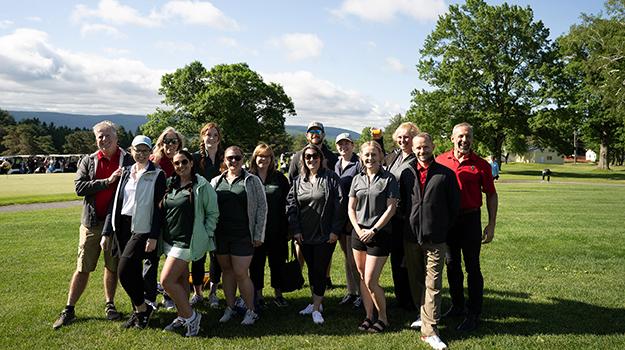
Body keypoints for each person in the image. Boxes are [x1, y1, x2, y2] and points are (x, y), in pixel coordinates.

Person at [53, 120, 133, 330]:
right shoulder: (88, 161)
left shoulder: (128, 161)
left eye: (107, 135)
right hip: (90, 223)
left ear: (117, 138)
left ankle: (110, 304)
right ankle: (69, 309)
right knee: (83, 268)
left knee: (112, 267)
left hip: (115, 224)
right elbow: (79, 187)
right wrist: (106, 181)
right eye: (99, 136)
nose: (103, 139)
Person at [436, 122, 498, 332]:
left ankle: (474, 313)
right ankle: (458, 305)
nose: (465, 140)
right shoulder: (441, 160)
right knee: (452, 265)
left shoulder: (481, 164)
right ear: (452, 138)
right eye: (461, 136)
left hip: (471, 219)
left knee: (473, 267)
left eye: (468, 136)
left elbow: (491, 194)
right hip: (449, 221)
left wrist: (491, 224)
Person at [400, 133, 460, 350]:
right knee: (416, 280)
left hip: (435, 238)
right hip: (411, 237)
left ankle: (430, 331)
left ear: (433, 146)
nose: (421, 151)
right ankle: (423, 314)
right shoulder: (407, 174)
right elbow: (403, 205)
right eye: (417, 148)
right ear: (413, 149)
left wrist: (441, 227)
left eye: (425, 147)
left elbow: (454, 207)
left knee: (433, 283)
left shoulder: (446, 174)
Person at [101, 135, 166, 329]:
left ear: (151, 152)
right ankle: (139, 314)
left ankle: (142, 308)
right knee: (133, 273)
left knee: (124, 270)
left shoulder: (157, 174)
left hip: (142, 228)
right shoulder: (125, 172)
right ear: (131, 151)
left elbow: (159, 207)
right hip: (121, 225)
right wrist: (106, 231)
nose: (142, 154)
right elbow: (115, 203)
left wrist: (154, 235)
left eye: (146, 150)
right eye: (138, 150)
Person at [160, 150, 219, 336]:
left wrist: (205, 234)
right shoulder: (171, 183)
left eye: (184, 162)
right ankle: (182, 316)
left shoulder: (202, 185)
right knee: (180, 280)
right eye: (176, 163)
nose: (180, 166)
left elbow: (213, 213)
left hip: (187, 241)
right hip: (170, 239)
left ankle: (192, 317)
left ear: (191, 163)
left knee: (166, 281)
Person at [287, 144, 344, 324]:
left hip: (325, 235)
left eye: (315, 156)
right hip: (305, 235)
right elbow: (291, 207)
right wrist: (295, 230)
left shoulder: (331, 178)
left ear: (321, 158)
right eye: (308, 157)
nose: (311, 159)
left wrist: (335, 231)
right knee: (312, 270)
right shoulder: (298, 181)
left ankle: (317, 309)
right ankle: (316, 302)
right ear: (303, 160)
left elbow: (340, 206)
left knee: (320, 269)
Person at [210, 146, 267, 326]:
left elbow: (262, 208)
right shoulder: (216, 181)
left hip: (243, 234)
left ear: (243, 159)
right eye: (229, 158)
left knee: (241, 273)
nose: (233, 161)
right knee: (227, 272)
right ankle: (230, 307)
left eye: (237, 158)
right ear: (224, 160)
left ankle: (251, 310)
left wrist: (259, 234)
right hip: (221, 235)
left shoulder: (252, 180)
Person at [348, 141, 398, 333]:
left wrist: (373, 230)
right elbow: (351, 207)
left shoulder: (389, 179)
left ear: (381, 156)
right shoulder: (356, 179)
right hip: (358, 233)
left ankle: (383, 318)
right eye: (366, 155)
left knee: (370, 279)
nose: (370, 158)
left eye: (374, 155)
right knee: (361, 276)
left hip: (380, 234)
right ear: (361, 157)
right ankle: (369, 316)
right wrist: (358, 229)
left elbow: (391, 208)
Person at [287, 121, 339, 289]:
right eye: (311, 131)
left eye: (318, 131)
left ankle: (326, 277)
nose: (315, 133)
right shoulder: (297, 156)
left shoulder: (331, 157)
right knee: (301, 246)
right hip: (304, 210)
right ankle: (299, 276)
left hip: (326, 211)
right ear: (307, 135)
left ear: (323, 134)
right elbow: (292, 181)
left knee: (325, 250)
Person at [144, 127, 185, 310]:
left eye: (174, 141)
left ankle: (169, 296)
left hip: (173, 218)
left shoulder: (182, 162)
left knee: (173, 257)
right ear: (160, 143)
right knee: (150, 258)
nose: (170, 144)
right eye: (166, 141)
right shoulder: (153, 162)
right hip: (153, 216)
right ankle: (149, 297)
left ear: (179, 144)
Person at [248, 143, 291, 308]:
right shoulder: (249, 177)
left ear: (272, 159)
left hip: (277, 229)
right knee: (256, 263)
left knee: (277, 262)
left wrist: (289, 228)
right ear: (254, 157)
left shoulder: (280, 178)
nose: (263, 159)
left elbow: (288, 203)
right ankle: (258, 295)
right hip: (256, 230)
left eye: (267, 156)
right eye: (260, 156)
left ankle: (278, 294)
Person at [385, 122, 420, 310]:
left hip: (408, 216)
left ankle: (411, 299)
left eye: (406, 136)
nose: (402, 140)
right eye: (400, 136)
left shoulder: (417, 158)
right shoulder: (394, 156)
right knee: (396, 258)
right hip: (393, 217)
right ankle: (401, 297)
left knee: (409, 260)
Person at [192, 122, 225, 308]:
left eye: (214, 135)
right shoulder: (196, 159)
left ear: (219, 139)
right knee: (198, 254)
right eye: (208, 135)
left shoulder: (225, 159)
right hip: (200, 211)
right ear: (202, 137)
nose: (211, 138)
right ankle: (197, 293)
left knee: (216, 254)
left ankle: (213, 291)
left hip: (220, 212)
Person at [334, 133, 363, 308]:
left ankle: (361, 294)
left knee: (355, 260)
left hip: (354, 217)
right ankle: (351, 292)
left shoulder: (358, 164)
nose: (343, 146)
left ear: (352, 145)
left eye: (347, 143)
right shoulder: (336, 164)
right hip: (339, 217)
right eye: (340, 144)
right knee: (347, 258)